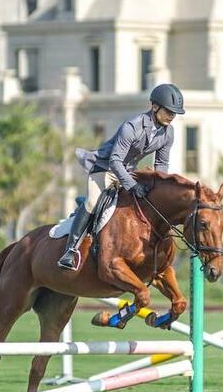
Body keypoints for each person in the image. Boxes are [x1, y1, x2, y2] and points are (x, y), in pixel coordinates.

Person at [57, 83, 185, 270]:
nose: (172, 116)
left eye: (174, 113)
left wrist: (160, 186)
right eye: (168, 111)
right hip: (104, 167)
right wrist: (133, 186)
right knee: (93, 202)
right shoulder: (132, 126)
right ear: (154, 106)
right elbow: (115, 161)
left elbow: (161, 164)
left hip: (129, 170)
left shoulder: (168, 133)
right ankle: (70, 250)